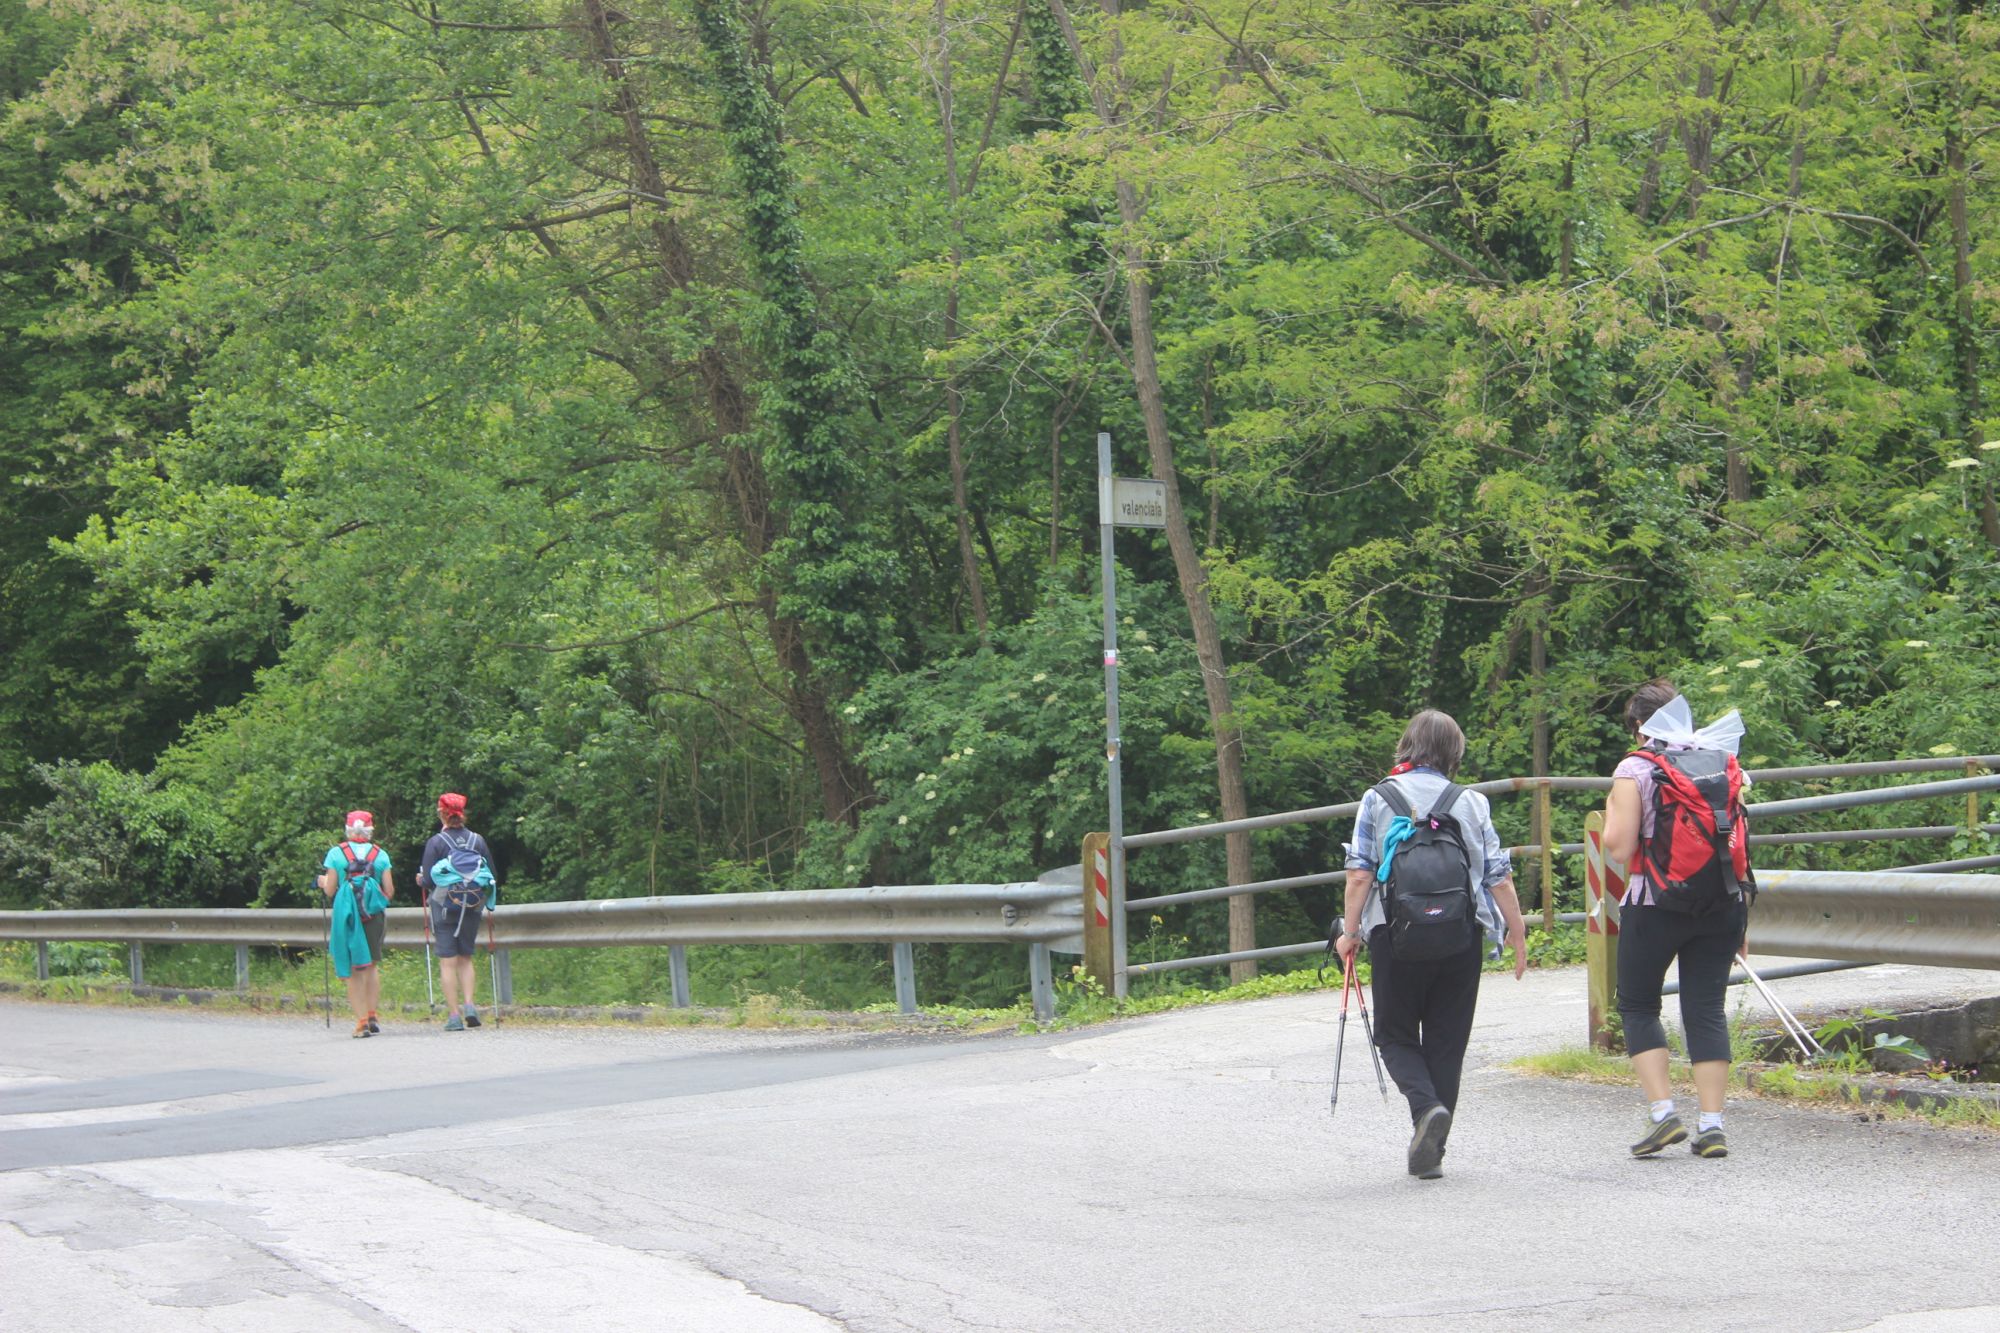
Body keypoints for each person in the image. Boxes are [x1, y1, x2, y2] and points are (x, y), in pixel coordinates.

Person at [1336, 710, 1528, 1179]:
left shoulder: (1377, 798)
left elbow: (1360, 873)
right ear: (1453, 753)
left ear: (1407, 745)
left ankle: (1425, 1112)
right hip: (1461, 935)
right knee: (1446, 1042)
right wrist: (1516, 930)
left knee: (1395, 1034)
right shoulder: (1471, 802)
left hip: (1395, 936)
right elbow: (1497, 874)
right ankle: (1431, 1151)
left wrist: (1351, 932)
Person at [1602, 678, 1753, 1160]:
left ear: (1637, 727)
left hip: (1654, 904)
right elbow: (1737, 843)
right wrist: (1743, 920)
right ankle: (1712, 1127)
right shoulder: (1722, 760)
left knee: (1639, 1006)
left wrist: (1611, 810)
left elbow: (1619, 846)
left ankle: (1665, 1115)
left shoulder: (1636, 768)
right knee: (1705, 1008)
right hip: (1722, 903)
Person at [417, 791, 498, 1032]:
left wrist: (420, 879)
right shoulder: (478, 840)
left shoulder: (436, 842)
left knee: (448, 962)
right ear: (463, 814)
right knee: (466, 958)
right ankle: (470, 1006)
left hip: (445, 907)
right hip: (472, 904)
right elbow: (491, 873)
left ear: (441, 813)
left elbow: (429, 880)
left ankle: (454, 1016)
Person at [320, 810, 395, 1038]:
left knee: (354, 968)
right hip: (373, 917)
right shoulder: (380, 855)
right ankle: (372, 1015)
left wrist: (322, 882)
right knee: (371, 964)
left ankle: (361, 1022)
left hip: (348, 917)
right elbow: (389, 892)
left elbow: (330, 890)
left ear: (348, 829)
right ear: (371, 829)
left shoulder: (336, 853)